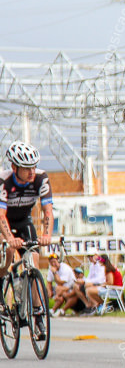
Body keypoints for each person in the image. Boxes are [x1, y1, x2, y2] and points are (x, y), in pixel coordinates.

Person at [0, 142, 53, 338]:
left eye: (33, 166)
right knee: (9, 255)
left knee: (34, 261)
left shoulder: (41, 178)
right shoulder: (4, 181)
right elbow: (1, 215)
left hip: (23, 221)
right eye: (26, 168)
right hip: (3, 222)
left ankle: (38, 316)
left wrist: (46, 235)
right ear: (14, 168)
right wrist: (10, 239)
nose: (32, 171)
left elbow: (48, 210)